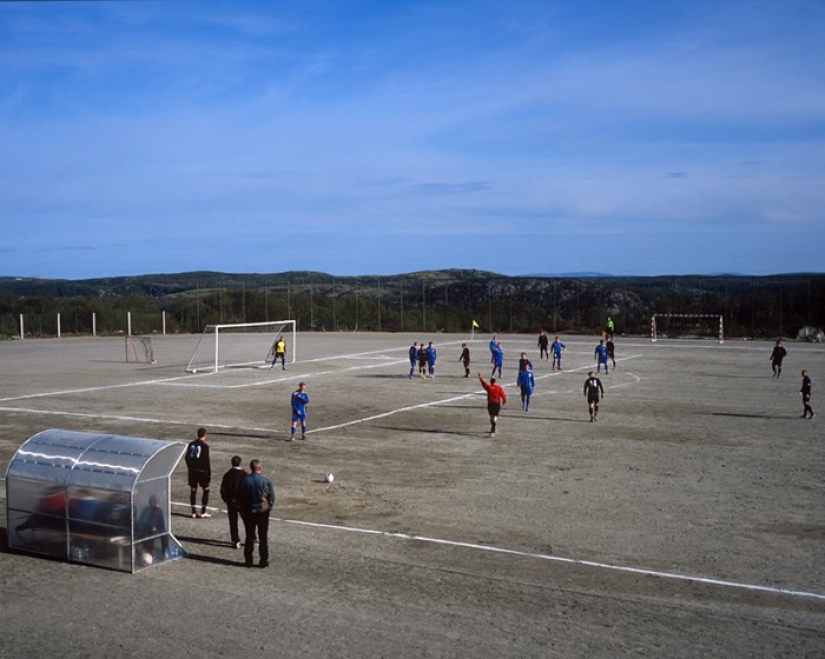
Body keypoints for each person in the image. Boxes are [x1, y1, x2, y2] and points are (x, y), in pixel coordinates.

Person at [239, 459, 276, 568]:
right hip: (262, 511)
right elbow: (271, 497)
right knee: (263, 536)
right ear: (260, 468)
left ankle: (248, 561)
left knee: (249, 536)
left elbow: (240, 496)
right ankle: (263, 560)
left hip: (249, 511)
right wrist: (269, 508)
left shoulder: (244, 481)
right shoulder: (265, 481)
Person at [220, 455, 249, 548]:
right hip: (242, 502)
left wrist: (226, 499)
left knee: (233, 522)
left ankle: (235, 540)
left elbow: (223, 489)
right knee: (247, 521)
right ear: (240, 463)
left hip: (231, 501)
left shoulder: (227, 474)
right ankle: (251, 538)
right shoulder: (245, 475)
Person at [185, 427, 212, 518]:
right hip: (202, 472)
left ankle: (193, 511)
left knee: (193, 490)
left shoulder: (191, 444)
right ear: (205, 435)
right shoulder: (205, 446)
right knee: (206, 489)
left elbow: (187, 457)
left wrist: (190, 468)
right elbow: (206, 461)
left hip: (192, 471)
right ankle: (203, 511)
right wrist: (208, 474)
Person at [136, 494, 168, 560]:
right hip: (147, 531)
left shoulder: (148, 509)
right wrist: (153, 527)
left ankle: (157, 551)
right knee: (162, 532)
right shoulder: (155, 510)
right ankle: (160, 552)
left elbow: (161, 524)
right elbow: (150, 524)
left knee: (161, 532)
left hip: (147, 530)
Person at [478, 372, 507, 437]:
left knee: (491, 416)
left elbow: (483, 384)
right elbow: (504, 396)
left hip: (490, 404)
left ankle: (492, 428)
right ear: (495, 382)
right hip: (496, 404)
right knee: (495, 416)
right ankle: (493, 429)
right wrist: (504, 401)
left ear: (490, 382)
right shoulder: (499, 388)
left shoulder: (489, 387)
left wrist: (480, 377)